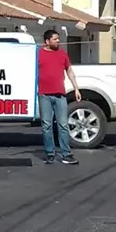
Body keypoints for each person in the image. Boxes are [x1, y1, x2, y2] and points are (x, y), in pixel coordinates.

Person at [37, 29, 80, 165]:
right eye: (55, 39)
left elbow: (69, 71)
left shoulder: (62, 54)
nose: (58, 41)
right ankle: (50, 153)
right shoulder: (38, 54)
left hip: (60, 95)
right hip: (44, 95)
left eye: (58, 38)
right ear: (47, 41)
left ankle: (66, 154)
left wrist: (76, 88)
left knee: (63, 125)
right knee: (46, 125)